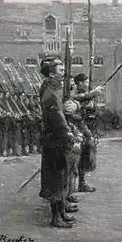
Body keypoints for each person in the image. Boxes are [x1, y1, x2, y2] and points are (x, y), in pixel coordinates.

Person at [38, 57, 76, 229]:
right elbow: (58, 117)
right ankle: (55, 217)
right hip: (54, 140)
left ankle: (60, 212)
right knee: (55, 178)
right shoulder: (50, 92)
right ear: (52, 73)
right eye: (61, 71)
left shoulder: (54, 88)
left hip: (57, 139)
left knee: (61, 176)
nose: (64, 73)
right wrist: (68, 132)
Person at [71, 73, 104, 192]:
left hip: (86, 126)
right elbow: (77, 99)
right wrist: (92, 94)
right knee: (76, 157)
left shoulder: (86, 95)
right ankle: (72, 186)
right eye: (85, 82)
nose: (86, 84)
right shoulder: (73, 92)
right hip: (76, 127)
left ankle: (82, 183)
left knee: (86, 154)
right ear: (79, 83)